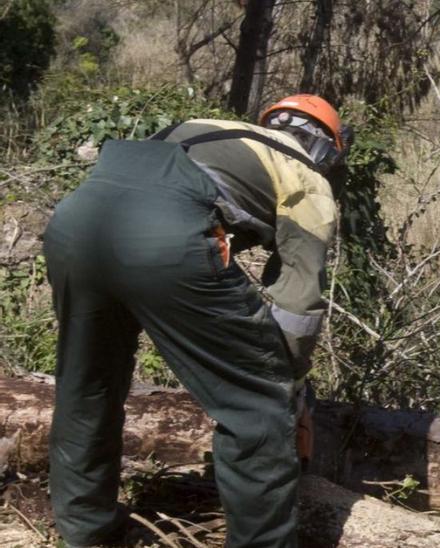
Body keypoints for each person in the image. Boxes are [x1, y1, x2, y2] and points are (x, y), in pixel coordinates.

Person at [43, 94, 349, 548]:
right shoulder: (307, 178)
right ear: (329, 148)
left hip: (74, 224)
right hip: (165, 240)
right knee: (257, 409)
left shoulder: (209, 129)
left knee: (88, 384)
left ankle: (85, 530)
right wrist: (285, 378)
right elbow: (298, 303)